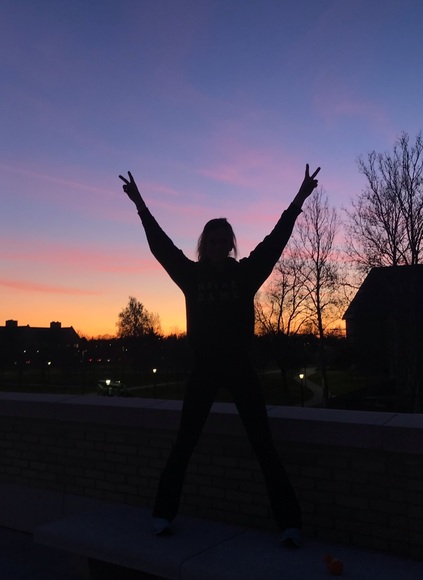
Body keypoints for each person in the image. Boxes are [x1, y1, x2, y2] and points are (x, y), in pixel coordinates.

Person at [119, 165, 320, 547]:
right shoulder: (190, 276)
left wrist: (299, 199)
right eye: (211, 241)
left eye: (222, 241)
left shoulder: (246, 273)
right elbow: (161, 247)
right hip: (204, 368)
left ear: (230, 245)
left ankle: (290, 524)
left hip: (240, 367)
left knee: (263, 443)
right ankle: (163, 514)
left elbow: (275, 241)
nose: (216, 245)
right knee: (185, 441)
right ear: (204, 245)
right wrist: (140, 204)